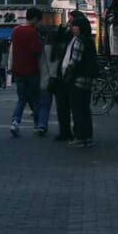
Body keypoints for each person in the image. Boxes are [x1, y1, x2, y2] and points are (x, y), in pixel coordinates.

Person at [8, 7, 44, 137]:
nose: (40, 23)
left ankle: (15, 122)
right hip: (32, 70)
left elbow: (12, 50)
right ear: (34, 19)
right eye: (39, 20)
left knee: (22, 98)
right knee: (35, 98)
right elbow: (37, 50)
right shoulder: (33, 32)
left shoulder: (16, 31)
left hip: (18, 70)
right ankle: (38, 124)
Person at [64, 15, 98, 147]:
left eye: (75, 26)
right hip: (89, 80)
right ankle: (88, 136)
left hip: (78, 79)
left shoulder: (79, 40)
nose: (73, 28)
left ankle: (79, 136)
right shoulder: (90, 40)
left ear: (81, 27)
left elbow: (75, 60)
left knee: (77, 109)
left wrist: (67, 70)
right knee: (85, 109)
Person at [46, 23, 73, 141]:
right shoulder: (67, 47)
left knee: (61, 108)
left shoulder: (50, 48)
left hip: (55, 80)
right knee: (71, 107)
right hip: (67, 79)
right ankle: (71, 131)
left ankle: (64, 131)